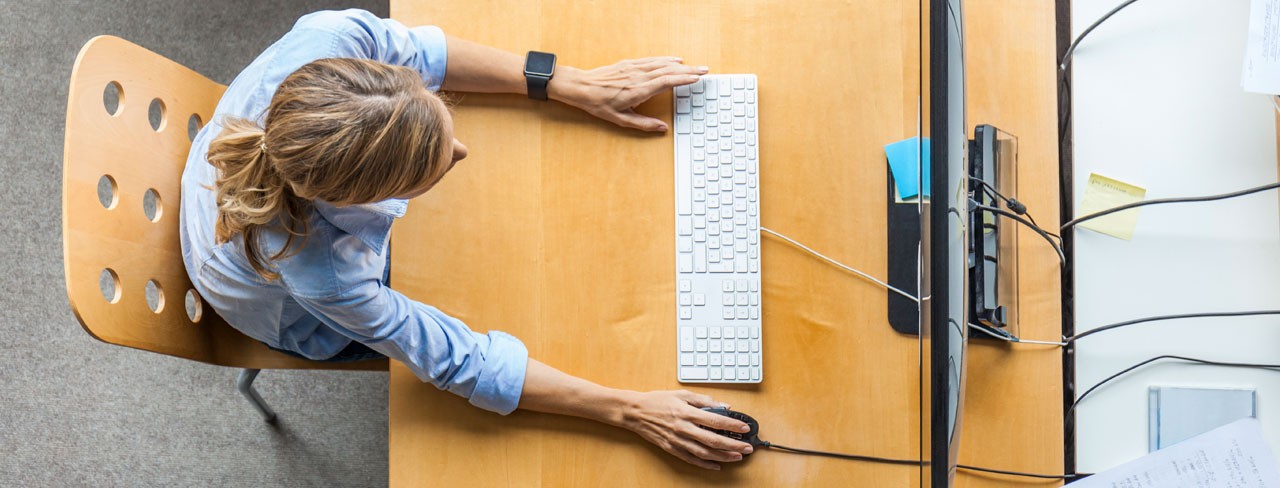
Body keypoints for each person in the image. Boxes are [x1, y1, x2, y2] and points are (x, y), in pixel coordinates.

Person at [179, 9, 751, 470]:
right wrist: (630, 411)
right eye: (431, 171)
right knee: (518, 299)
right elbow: (461, 363)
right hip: (284, 313)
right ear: (362, 201)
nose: (461, 152)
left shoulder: (334, 38)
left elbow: (425, 55)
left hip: (254, 196)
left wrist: (564, 81)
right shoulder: (326, 272)